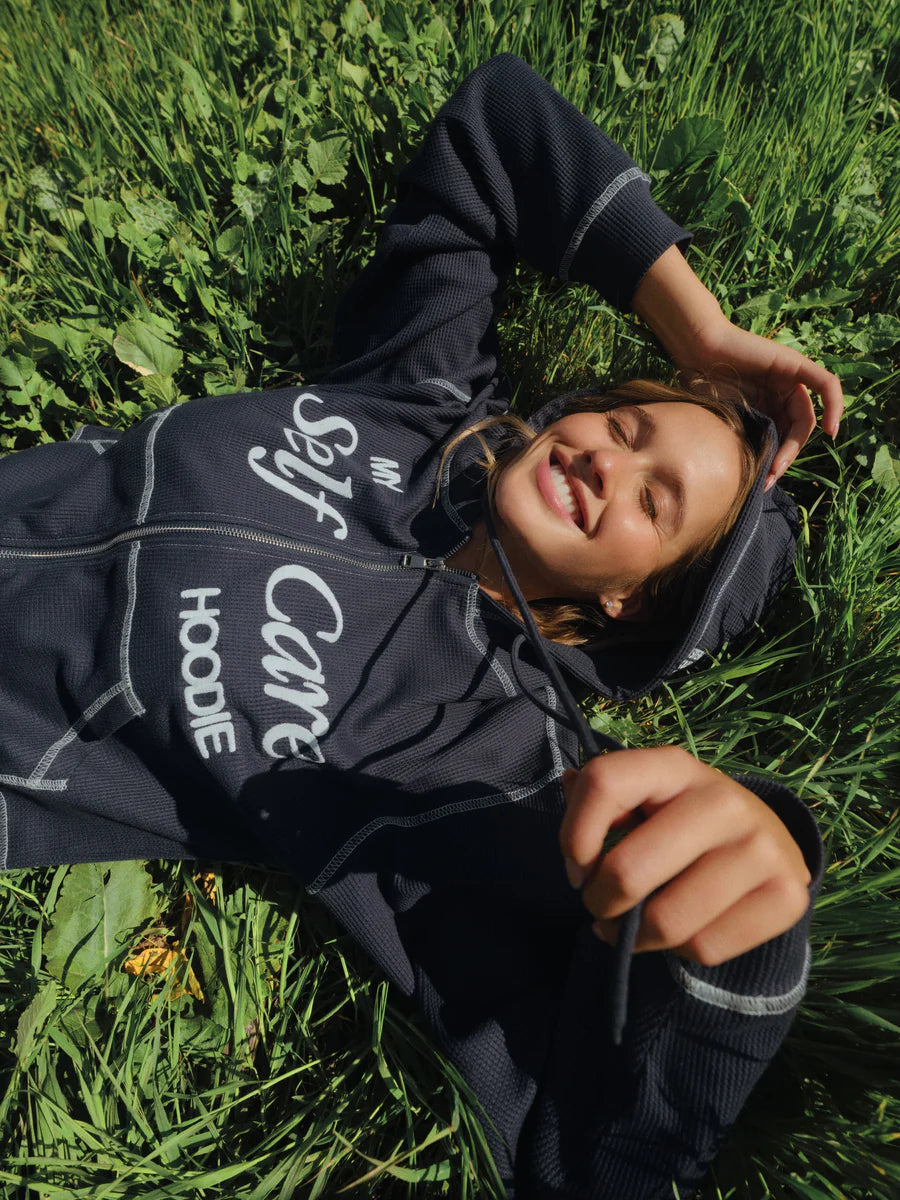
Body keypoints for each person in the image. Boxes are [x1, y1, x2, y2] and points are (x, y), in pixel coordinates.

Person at [0, 54, 843, 1198]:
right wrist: (699, 332)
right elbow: (496, 124)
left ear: (630, 603)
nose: (611, 461)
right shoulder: (422, 400)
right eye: (628, 426)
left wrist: (744, 945)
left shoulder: (488, 751)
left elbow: (592, 1150)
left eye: (656, 503)